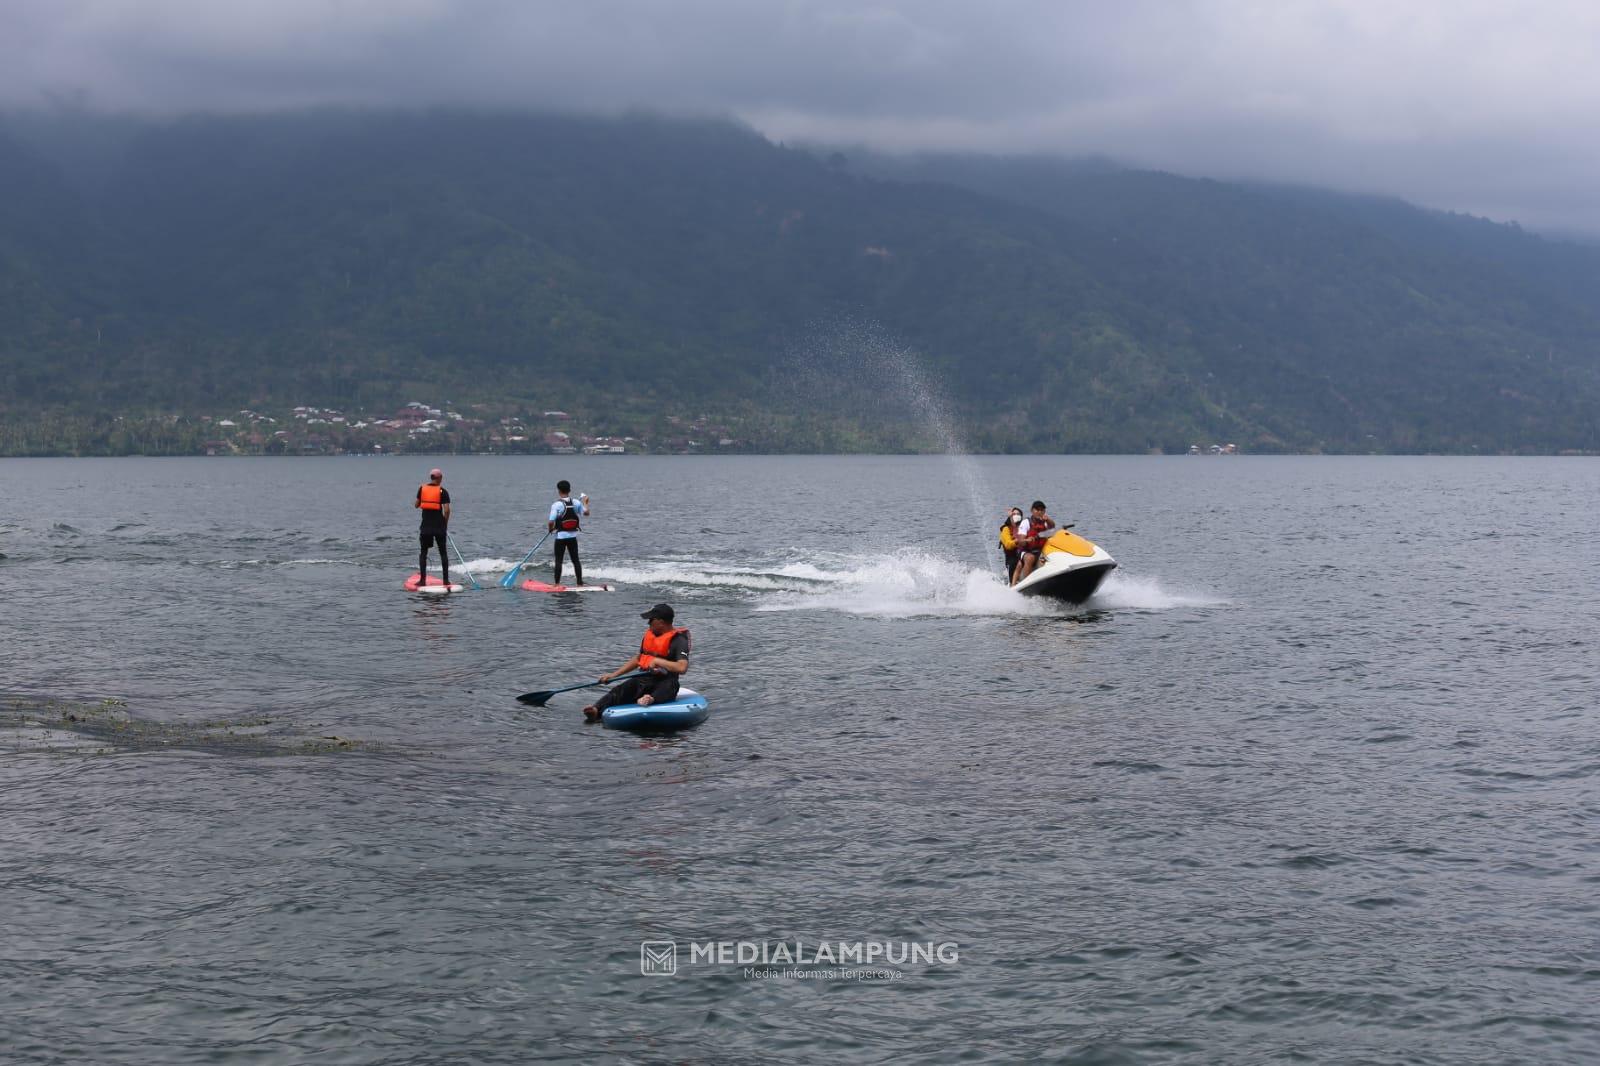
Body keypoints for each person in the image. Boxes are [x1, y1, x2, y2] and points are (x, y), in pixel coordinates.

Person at [582, 603, 691, 721]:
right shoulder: (649, 636)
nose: (648, 623)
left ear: (661, 622)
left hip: (666, 681)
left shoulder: (679, 640)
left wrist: (658, 661)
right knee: (620, 690)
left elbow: (682, 667)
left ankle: (650, 699)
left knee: (668, 686)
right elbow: (639, 659)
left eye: (651, 620)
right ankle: (596, 710)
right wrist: (613, 675)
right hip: (644, 679)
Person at [413, 467, 452, 587]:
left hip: (426, 526)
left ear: (431, 478)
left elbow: (416, 505)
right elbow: (447, 511)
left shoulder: (422, 489)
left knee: (423, 553)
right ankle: (445, 580)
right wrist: (444, 524)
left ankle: (422, 581)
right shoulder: (443, 491)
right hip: (439, 526)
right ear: (439, 478)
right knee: (443, 553)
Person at [548, 479, 591, 587]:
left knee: (559, 561)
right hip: (573, 537)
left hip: (561, 537)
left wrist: (550, 529)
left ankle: (557, 584)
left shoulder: (556, 505)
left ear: (559, 491)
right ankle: (579, 583)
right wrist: (585, 503)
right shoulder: (576, 502)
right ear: (569, 490)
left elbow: (551, 521)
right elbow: (586, 513)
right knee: (575, 560)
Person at [1010, 500, 1058, 586]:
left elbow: (1053, 527)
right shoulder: (1026, 522)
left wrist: (1048, 520)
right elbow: (1021, 541)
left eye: (1042, 510)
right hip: (1027, 550)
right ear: (1032, 510)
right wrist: (1026, 540)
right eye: (1037, 510)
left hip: (1041, 550)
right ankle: (1028, 584)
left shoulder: (1046, 522)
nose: (1040, 512)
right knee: (1029, 558)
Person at [998, 507, 1024, 582]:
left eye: (1018, 514)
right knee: (1013, 563)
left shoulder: (1023, 527)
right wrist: (1016, 541)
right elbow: (1008, 545)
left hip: (1023, 554)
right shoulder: (1005, 529)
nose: (1016, 515)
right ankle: (1013, 584)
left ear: (1021, 517)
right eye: (1014, 514)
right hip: (1012, 557)